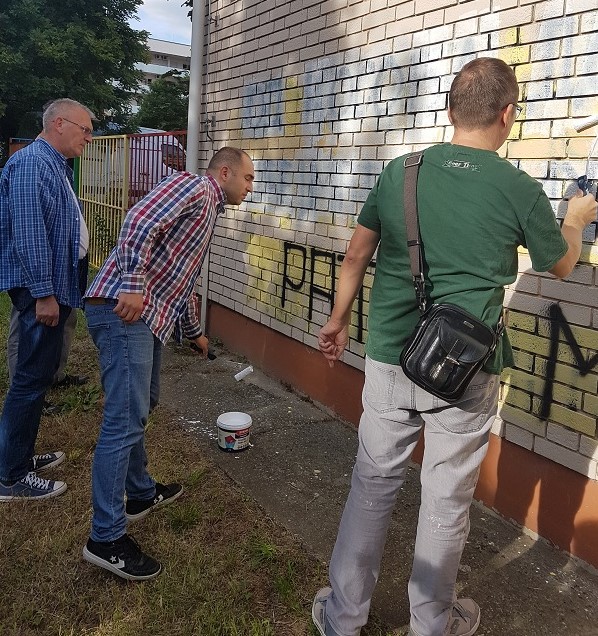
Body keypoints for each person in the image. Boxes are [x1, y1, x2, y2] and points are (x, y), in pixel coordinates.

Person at [312, 57, 597, 636]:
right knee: (445, 503)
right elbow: (562, 265)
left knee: (372, 485)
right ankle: (431, 625)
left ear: (449, 110)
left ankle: (343, 618)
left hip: (392, 357)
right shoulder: (517, 188)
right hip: (466, 371)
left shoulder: (401, 172)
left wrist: (338, 320)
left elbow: (356, 254)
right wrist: (575, 218)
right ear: (507, 114)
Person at [82, 146, 255, 582]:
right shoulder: (196, 187)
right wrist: (132, 284)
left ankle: (140, 493)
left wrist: (194, 332)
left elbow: (181, 279)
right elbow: (139, 220)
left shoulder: (209, 208)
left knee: (144, 404)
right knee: (124, 420)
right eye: (249, 178)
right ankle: (105, 538)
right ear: (226, 172)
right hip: (123, 311)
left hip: (144, 318)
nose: (251, 187)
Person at [0, 98, 94, 501]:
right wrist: (44, 294)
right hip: (42, 290)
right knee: (29, 380)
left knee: (36, 378)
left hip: (53, 286)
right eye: (85, 130)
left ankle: (16, 456)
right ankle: (11, 476)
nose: (88, 138)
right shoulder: (32, 164)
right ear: (59, 123)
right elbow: (29, 234)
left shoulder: (54, 164)